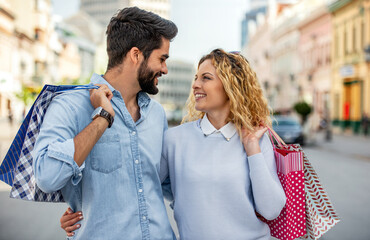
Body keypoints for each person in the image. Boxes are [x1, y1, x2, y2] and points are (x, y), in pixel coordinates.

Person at [61, 49, 286, 240]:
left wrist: (252, 148)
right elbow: (137, 187)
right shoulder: (175, 139)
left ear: (231, 86)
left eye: (206, 78)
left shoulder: (256, 139)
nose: (196, 85)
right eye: (196, 78)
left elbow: (271, 209)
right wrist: (81, 209)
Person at [33, 7, 177, 240]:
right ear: (136, 55)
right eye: (161, 59)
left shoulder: (157, 114)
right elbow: (47, 177)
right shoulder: (69, 106)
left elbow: (168, 184)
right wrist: (103, 119)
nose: (165, 69)